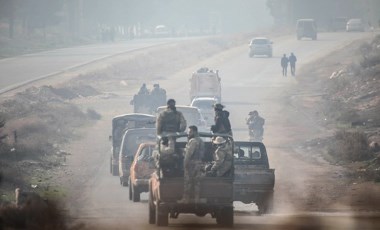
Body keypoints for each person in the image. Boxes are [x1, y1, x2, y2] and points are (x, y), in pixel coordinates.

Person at [178, 126, 205, 203]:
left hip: (192, 164)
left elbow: (188, 154)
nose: (188, 133)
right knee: (197, 183)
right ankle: (197, 199)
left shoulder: (193, 141)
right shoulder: (201, 141)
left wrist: (185, 163)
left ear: (195, 132)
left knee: (188, 182)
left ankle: (186, 199)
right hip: (199, 163)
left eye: (190, 132)